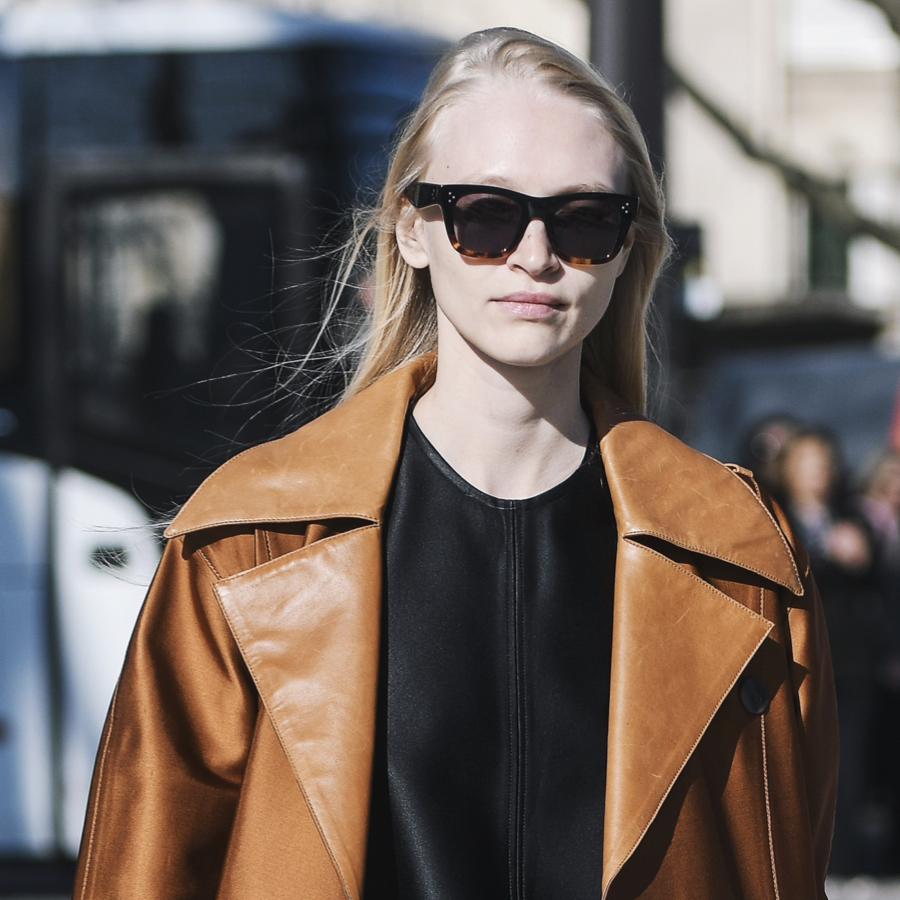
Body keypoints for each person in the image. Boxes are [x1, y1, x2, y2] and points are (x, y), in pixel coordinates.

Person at [72, 27, 837, 900]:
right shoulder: (249, 544)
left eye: (585, 218)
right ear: (412, 230)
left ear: (629, 249)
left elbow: (787, 865)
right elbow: (145, 870)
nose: (536, 255)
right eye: (487, 212)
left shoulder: (740, 556)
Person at [778, 429, 875, 875]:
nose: (818, 471)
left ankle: (846, 860)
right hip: (793, 660)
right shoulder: (776, 517)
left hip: (849, 661)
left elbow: (874, 572)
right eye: (807, 461)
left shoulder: (853, 515)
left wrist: (860, 553)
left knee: (849, 764)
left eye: (824, 461)